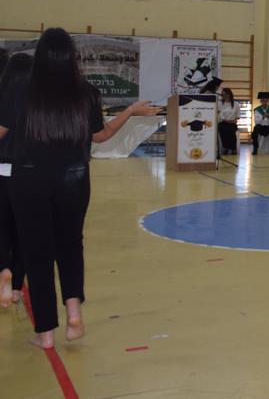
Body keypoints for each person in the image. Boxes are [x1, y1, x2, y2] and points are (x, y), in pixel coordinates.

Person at [0, 28, 160, 348]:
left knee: (37, 252)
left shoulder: (19, 89)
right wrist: (130, 111)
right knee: (71, 245)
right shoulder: (86, 92)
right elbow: (100, 136)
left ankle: (46, 332)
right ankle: (74, 314)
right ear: (71, 57)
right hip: (74, 178)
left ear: (39, 55)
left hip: (29, 178)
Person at [0, 53, 31, 309]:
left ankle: (3, 270)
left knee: (2, 227)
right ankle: (18, 287)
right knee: (23, 231)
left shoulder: (4, 95)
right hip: (28, 171)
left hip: (2, 168)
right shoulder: (38, 99)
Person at [217, 87, 240, 156]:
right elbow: (219, 114)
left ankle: (233, 148)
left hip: (232, 123)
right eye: (223, 94)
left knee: (231, 131)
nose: (225, 96)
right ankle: (226, 148)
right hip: (223, 122)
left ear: (230, 94)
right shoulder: (220, 103)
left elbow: (238, 115)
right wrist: (225, 120)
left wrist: (234, 120)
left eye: (226, 94)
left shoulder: (236, 104)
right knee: (223, 130)